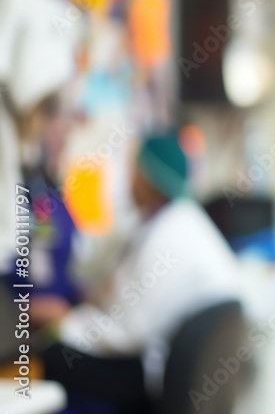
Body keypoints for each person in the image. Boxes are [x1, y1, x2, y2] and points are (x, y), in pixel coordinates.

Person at [33, 131, 242, 412]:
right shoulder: (173, 220)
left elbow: (127, 333)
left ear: (147, 177)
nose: (127, 178)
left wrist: (64, 322)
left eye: (132, 168)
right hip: (161, 360)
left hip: (150, 372)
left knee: (51, 357)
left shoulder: (170, 235)